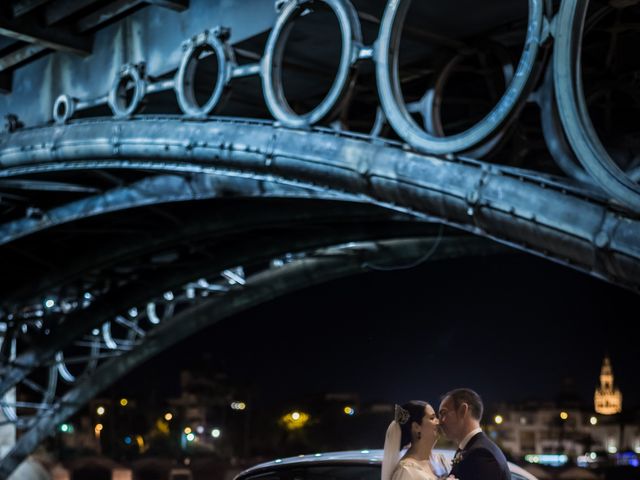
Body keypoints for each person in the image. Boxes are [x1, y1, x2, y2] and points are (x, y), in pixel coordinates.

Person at [438, 388, 511, 480]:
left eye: (444, 413)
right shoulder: (472, 449)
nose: (440, 422)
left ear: (463, 410)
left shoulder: (481, 454)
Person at [381, 401, 452, 480]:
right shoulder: (406, 471)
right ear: (416, 427)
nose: (438, 422)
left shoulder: (440, 460)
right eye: (432, 418)